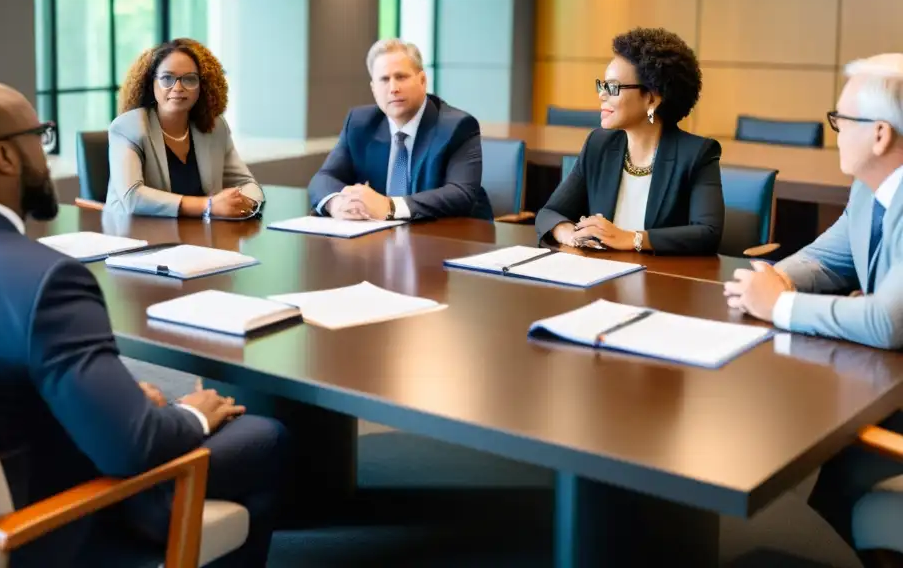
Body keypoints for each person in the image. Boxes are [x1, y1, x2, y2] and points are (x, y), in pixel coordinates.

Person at [0, 82, 286, 568]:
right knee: (265, 435)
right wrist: (193, 414)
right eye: (39, 136)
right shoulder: (46, 281)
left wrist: (129, 402)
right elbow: (133, 449)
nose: (46, 155)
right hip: (38, 526)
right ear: (4, 156)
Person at [724, 53, 903, 557]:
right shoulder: (871, 189)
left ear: (880, 135)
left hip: (895, 403)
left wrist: (779, 307)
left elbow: (888, 321)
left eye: (842, 120)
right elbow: (828, 258)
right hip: (887, 384)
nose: (835, 132)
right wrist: (773, 278)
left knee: (817, 472)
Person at [535, 27, 724, 256]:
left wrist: (631, 238)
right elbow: (550, 213)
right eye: (602, 85)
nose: (602, 95)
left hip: (661, 281)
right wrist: (569, 234)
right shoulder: (599, 144)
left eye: (613, 87)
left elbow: (708, 233)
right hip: (599, 275)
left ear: (651, 98)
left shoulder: (697, 154)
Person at [308, 38, 493, 221]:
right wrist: (336, 203)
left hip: (458, 236)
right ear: (373, 89)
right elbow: (324, 178)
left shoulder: (456, 127)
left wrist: (390, 206)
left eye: (401, 77)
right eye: (384, 80)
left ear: (422, 80)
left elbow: (460, 194)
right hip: (387, 237)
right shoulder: (360, 124)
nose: (393, 88)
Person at [107, 38, 264, 219]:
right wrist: (208, 206)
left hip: (198, 235)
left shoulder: (214, 126)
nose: (178, 87)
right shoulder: (128, 127)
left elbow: (246, 183)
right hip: (135, 236)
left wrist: (245, 204)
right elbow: (133, 197)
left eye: (190, 79)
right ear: (151, 83)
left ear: (202, 86)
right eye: (167, 78)